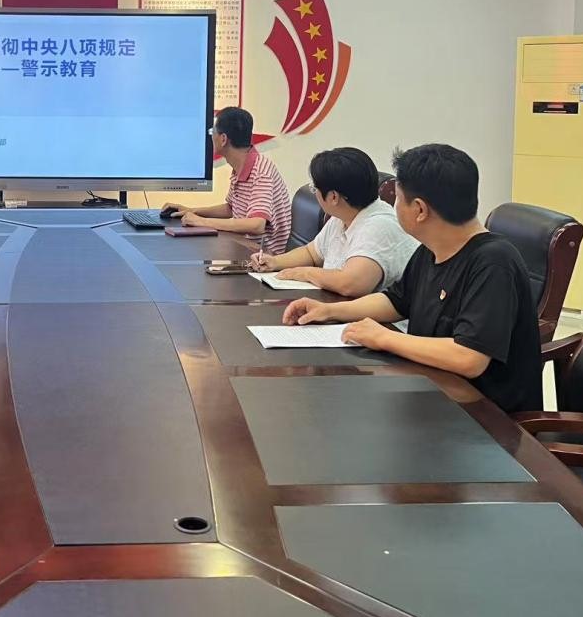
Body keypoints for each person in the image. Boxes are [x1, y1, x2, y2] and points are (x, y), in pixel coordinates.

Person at [281, 143, 541, 413]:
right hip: (430, 394)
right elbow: (396, 301)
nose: (393, 206)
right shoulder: (432, 250)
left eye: (397, 198)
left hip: (484, 418)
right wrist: (329, 311)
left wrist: (384, 338)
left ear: (419, 210)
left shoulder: (493, 262)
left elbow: (469, 358)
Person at [251, 147, 417, 296]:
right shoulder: (342, 216)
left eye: (315, 188)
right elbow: (311, 253)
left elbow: (351, 284)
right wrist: (275, 262)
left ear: (333, 197)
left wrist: (304, 273)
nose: (315, 193)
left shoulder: (379, 226)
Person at [163, 107, 291, 254]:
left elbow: (257, 225)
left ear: (223, 139)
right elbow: (231, 209)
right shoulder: (241, 166)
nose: (211, 137)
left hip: (265, 258)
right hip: (245, 248)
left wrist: (202, 222)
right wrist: (192, 211)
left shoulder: (261, 172)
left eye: (212, 132)